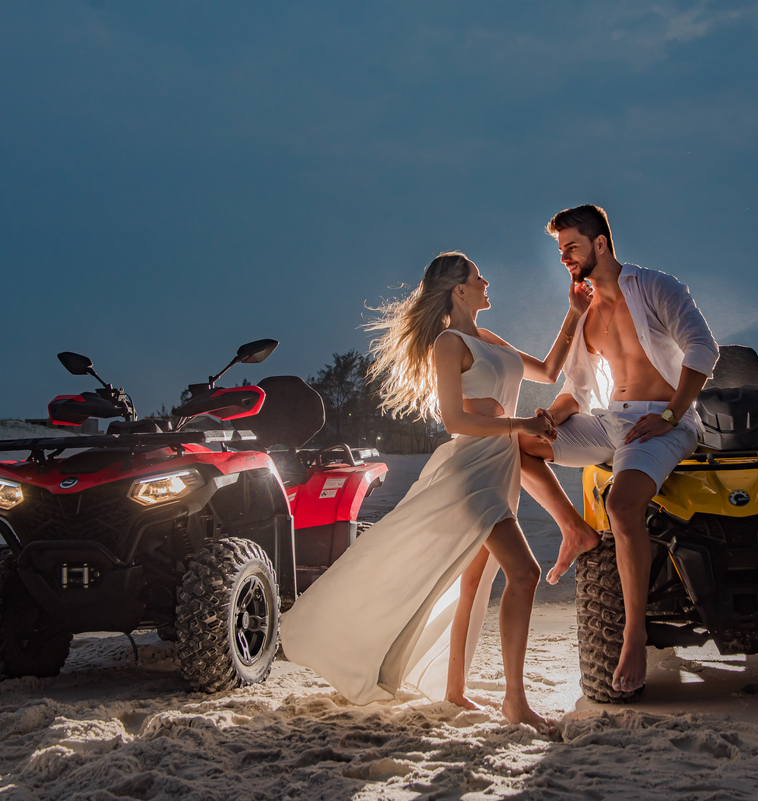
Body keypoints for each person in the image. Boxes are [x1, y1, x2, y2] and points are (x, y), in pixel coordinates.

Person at [279, 251, 590, 734]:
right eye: (478, 276)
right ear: (459, 290)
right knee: (524, 575)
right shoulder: (449, 342)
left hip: (501, 469)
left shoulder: (487, 339)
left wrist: (574, 311)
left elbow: (549, 372)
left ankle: (454, 690)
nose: (488, 282)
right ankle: (515, 700)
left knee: (473, 582)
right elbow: (454, 421)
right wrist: (520, 423)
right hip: (471, 471)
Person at [517, 205, 719, 695]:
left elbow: (703, 349)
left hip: (663, 422)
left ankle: (633, 635)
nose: (564, 257)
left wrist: (671, 414)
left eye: (572, 247)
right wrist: (548, 421)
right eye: (560, 249)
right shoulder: (586, 314)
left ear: (600, 244)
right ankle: (575, 531)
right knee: (515, 445)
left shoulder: (655, 285)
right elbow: (576, 390)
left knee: (623, 505)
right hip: (612, 421)